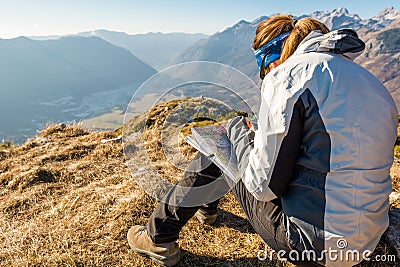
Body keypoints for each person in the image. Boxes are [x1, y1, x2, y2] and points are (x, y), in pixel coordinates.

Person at [126, 14, 398, 267]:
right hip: (369, 234)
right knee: (239, 142)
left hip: (318, 245)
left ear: (273, 57)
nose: (264, 75)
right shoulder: (366, 80)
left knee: (218, 141)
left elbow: (262, 187)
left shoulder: (289, 76)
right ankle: (206, 209)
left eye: (263, 66)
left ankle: (158, 237)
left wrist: (236, 132)